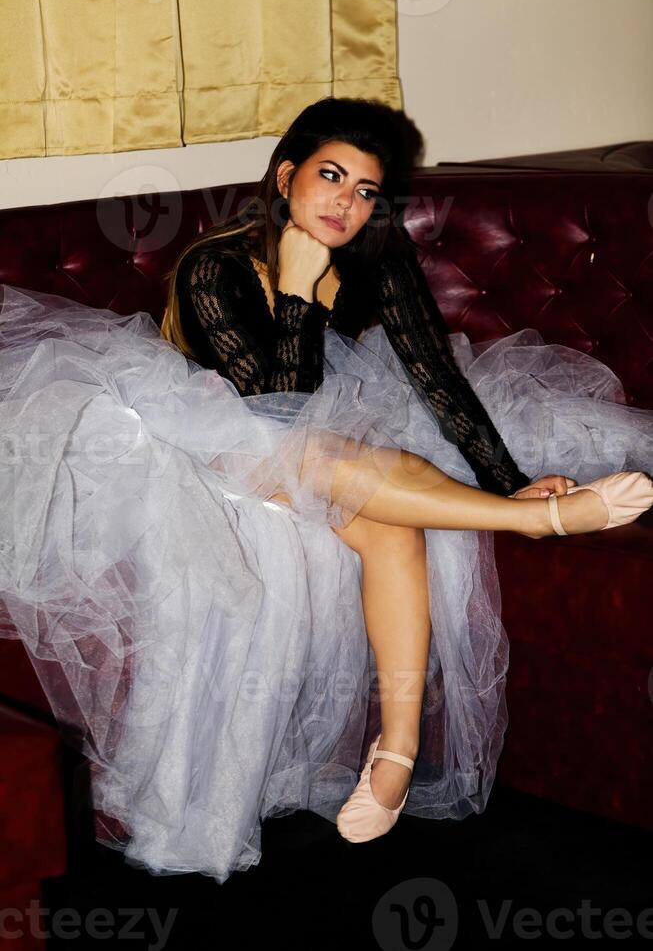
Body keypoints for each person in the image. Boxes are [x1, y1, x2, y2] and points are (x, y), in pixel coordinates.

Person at [0, 98, 651, 882]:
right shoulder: (216, 266)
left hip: (316, 439)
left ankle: (396, 754)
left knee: (387, 526)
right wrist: (300, 293)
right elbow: (275, 408)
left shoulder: (378, 261)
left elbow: (436, 378)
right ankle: (539, 523)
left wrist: (506, 476)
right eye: (330, 177)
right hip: (199, 440)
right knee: (332, 462)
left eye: (366, 190)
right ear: (286, 176)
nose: (345, 202)